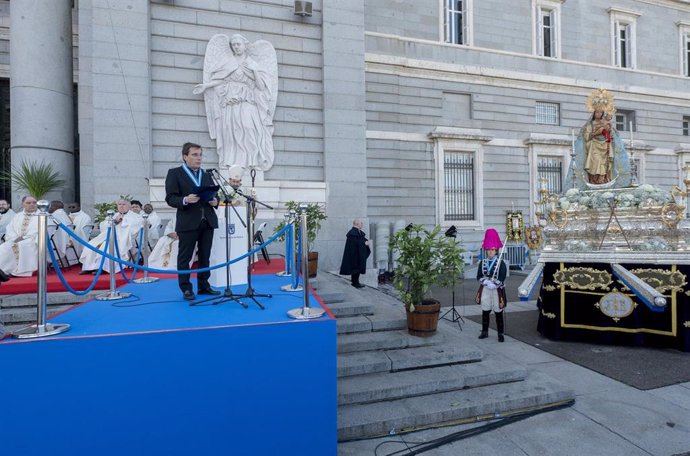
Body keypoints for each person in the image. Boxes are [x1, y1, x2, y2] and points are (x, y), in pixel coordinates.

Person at [194, 34, 276, 171]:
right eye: (234, 45)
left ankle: (252, 161)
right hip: (230, 102)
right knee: (230, 131)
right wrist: (206, 86)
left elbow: (261, 87)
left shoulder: (252, 64)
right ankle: (232, 163)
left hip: (247, 100)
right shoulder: (228, 62)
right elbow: (221, 79)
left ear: (245, 46)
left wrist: (254, 71)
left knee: (249, 129)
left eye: (238, 44)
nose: (236, 47)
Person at [165, 142, 220, 300]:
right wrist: (185, 199)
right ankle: (186, 288)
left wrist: (215, 201)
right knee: (185, 257)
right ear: (185, 156)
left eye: (200, 155)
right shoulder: (175, 173)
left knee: (205, 256)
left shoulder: (207, 174)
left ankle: (204, 285)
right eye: (195, 155)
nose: (199, 158)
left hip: (207, 221)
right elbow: (170, 198)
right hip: (188, 221)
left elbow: (215, 194)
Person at [79, 199, 144, 274]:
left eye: (124, 204)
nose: (121, 206)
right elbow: (103, 227)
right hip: (107, 237)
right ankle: (89, 267)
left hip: (122, 239)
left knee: (105, 247)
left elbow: (134, 228)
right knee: (91, 245)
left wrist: (123, 221)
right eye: (119, 204)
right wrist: (115, 221)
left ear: (129, 206)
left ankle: (103, 268)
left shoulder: (135, 216)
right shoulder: (113, 215)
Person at [476, 228, 508, 342]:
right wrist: (485, 282)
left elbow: (502, 276)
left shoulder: (501, 262)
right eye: (488, 249)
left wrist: (495, 284)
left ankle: (500, 333)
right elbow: (479, 276)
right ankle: (484, 331)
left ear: (496, 250)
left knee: (498, 310)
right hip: (485, 288)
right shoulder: (482, 262)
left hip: (496, 289)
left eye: (492, 250)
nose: (490, 252)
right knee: (485, 310)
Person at [0, 196, 39, 277]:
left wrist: (24, 238)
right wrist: (14, 238)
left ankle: (22, 272)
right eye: (28, 203)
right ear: (23, 204)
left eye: (34, 203)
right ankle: (4, 271)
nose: (32, 204)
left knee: (21, 245)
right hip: (15, 239)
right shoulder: (18, 216)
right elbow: (10, 228)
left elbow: (40, 231)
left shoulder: (42, 216)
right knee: (3, 247)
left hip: (33, 240)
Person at [583, 110, 615, 184]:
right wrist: (596, 133)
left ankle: (602, 180)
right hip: (594, 146)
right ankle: (594, 180)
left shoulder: (606, 122)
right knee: (596, 162)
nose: (599, 114)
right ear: (594, 113)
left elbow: (612, 135)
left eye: (601, 112)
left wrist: (609, 131)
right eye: (597, 112)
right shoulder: (590, 125)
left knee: (604, 163)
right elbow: (586, 137)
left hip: (605, 145)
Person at [339, 219, 370, 289]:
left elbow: (361, 239)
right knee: (355, 268)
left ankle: (356, 282)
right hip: (354, 255)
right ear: (357, 224)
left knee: (358, 268)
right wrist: (364, 243)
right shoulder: (352, 233)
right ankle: (355, 283)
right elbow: (355, 244)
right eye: (361, 223)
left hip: (358, 254)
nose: (362, 224)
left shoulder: (358, 232)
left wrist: (365, 241)